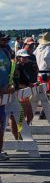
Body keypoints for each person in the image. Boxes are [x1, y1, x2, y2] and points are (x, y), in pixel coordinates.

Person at [0, 31, 15, 161]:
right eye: (3, 40)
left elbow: (9, 70)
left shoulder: (6, 52)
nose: (6, 42)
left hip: (4, 94)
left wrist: (10, 85)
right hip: (1, 92)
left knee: (2, 124)